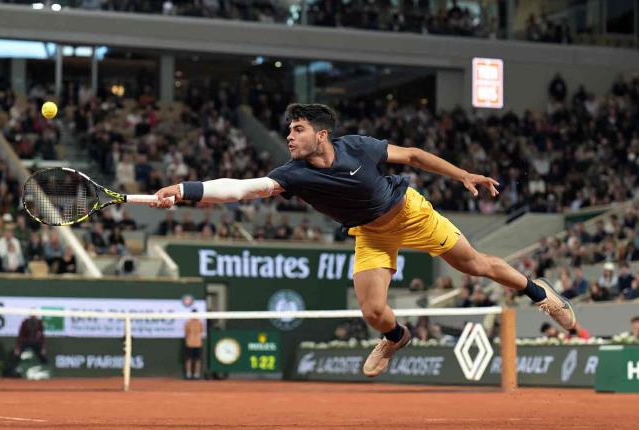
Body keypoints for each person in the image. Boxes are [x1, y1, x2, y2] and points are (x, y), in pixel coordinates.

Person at [152, 103, 577, 377]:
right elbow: (241, 189)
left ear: (321, 135)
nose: (289, 136)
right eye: (289, 130)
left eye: (297, 129)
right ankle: (396, 338)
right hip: (371, 235)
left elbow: (411, 155)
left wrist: (462, 174)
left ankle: (541, 294)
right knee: (374, 311)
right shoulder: (292, 173)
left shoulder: (356, 146)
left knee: (476, 265)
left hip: (410, 214)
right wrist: (186, 190)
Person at [183, 309, 203, 380]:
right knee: (189, 359)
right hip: (190, 344)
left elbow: (201, 331)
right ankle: (188, 374)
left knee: (198, 360)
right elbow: (186, 332)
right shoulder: (188, 322)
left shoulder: (200, 322)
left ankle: (196, 374)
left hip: (198, 344)